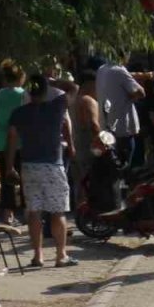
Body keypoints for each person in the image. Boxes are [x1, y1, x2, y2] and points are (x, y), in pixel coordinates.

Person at [4, 75, 75, 268]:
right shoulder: (57, 107)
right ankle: (61, 256)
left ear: (28, 91)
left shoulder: (18, 113)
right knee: (57, 211)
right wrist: (52, 82)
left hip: (29, 166)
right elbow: (72, 87)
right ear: (45, 91)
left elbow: (11, 140)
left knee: (34, 212)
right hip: (53, 165)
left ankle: (38, 256)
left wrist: (10, 166)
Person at [96, 56, 146, 167]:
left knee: (112, 165)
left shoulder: (102, 69)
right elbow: (141, 93)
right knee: (124, 166)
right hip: (123, 127)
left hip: (107, 125)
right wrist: (130, 96)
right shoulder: (119, 70)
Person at [0, 60, 26, 226]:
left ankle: (7, 215)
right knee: (24, 177)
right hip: (21, 141)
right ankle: (28, 212)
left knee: (6, 179)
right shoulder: (23, 93)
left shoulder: (0, 94)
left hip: (1, 140)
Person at [69, 69, 103, 205]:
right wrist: (102, 144)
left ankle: (81, 211)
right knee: (90, 181)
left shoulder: (72, 101)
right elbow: (94, 125)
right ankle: (91, 211)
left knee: (80, 183)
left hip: (75, 147)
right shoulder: (88, 101)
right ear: (90, 84)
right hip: (88, 147)